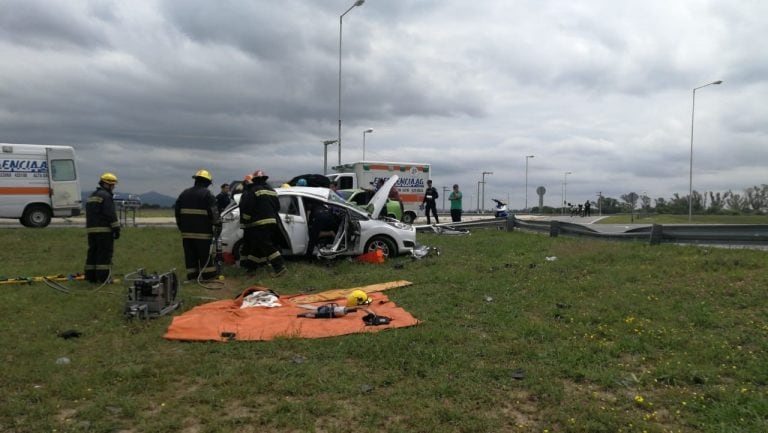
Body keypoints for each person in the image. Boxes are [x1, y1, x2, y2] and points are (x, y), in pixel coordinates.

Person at [174, 169, 221, 281]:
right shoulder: (208, 194)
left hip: (186, 233)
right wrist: (217, 224)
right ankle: (207, 276)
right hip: (203, 233)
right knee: (205, 255)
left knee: (190, 256)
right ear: (207, 182)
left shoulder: (184, 193)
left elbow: (177, 213)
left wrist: (181, 227)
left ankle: (192, 276)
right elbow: (214, 213)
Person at [238, 170, 286, 276]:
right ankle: (251, 268)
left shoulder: (253, 190)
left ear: (255, 180)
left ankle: (280, 266)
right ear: (265, 179)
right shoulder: (272, 190)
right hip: (272, 222)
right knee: (257, 246)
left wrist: (246, 220)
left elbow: (247, 207)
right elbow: (277, 207)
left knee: (265, 245)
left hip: (259, 223)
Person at [84, 172, 121, 283]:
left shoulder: (92, 196)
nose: (113, 187)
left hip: (91, 231)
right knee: (104, 255)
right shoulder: (106, 196)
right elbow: (110, 214)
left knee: (93, 253)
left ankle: (91, 277)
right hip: (104, 231)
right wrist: (116, 229)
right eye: (112, 185)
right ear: (107, 184)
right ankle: (103, 279)